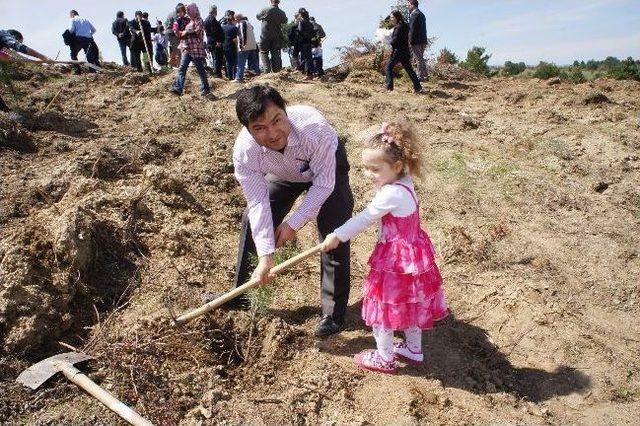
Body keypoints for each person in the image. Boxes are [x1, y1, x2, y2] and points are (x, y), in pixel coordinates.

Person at [321, 121, 448, 374]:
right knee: (410, 304)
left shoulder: (390, 194)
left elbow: (365, 217)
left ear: (397, 166)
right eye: (366, 168)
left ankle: (385, 358)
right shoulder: (405, 182)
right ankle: (413, 349)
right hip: (413, 257)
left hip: (395, 262)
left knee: (383, 307)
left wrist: (337, 235)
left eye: (375, 169)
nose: (369, 174)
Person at [232, 85, 354, 337]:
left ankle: (333, 314)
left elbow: (323, 185)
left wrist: (292, 225)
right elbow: (258, 202)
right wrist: (266, 254)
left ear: (285, 110)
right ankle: (242, 297)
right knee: (250, 219)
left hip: (325, 169)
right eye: (260, 128)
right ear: (247, 129)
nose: (273, 133)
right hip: (285, 173)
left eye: (277, 120)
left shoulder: (314, 129)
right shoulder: (245, 152)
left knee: (334, 232)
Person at [0, 29, 51, 112]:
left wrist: (32, 62)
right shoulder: (4, 34)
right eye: (18, 41)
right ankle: (7, 113)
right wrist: (43, 57)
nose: (10, 48)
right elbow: (19, 47)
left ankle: (6, 113)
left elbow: (3, 56)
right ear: (13, 37)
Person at [171, 3, 211, 96]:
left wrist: (185, 33)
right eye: (187, 10)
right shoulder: (189, 21)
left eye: (189, 10)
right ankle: (178, 88)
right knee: (182, 68)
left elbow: (197, 32)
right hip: (187, 48)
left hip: (196, 49)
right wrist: (181, 32)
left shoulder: (199, 20)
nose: (187, 12)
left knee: (200, 69)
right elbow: (180, 33)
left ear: (193, 10)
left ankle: (206, 88)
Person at [385, 11, 422, 93]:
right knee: (409, 70)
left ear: (396, 17)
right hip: (405, 52)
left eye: (391, 17)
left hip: (398, 52)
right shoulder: (405, 26)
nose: (391, 19)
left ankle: (389, 88)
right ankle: (418, 87)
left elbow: (396, 41)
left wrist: (387, 41)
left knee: (388, 67)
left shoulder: (398, 27)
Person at [256, 0, 287, 73]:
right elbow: (285, 21)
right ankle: (276, 71)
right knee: (275, 53)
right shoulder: (281, 12)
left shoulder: (265, 9)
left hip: (265, 35)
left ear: (271, 1)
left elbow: (257, 16)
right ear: (278, 2)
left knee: (263, 52)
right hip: (276, 35)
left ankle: (267, 70)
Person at [68, 10, 100, 74]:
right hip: (87, 39)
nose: (70, 17)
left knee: (73, 54)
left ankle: (77, 71)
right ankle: (92, 71)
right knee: (89, 55)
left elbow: (71, 30)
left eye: (70, 15)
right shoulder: (86, 20)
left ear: (72, 14)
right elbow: (94, 30)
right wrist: (88, 35)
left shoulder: (73, 19)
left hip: (78, 39)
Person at [234, 14, 260, 83]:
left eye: (235, 18)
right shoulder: (248, 23)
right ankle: (258, 74)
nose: (235, 20)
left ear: (238, 18)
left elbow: (242, 34)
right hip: (252, 45)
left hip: (245, 46)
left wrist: (242, 45)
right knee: (254, 61)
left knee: (241, 62)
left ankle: (239, 78)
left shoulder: (242, 23)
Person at [408, 0, 429, 81]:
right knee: (420, 58)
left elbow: (412, 29)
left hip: (415, 40)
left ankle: (420, 77)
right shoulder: (422, 14)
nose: (408, 6)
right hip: (423, 40)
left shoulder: (414, 14)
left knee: (418, 59)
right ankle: (426, 76)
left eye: (409, 4)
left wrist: (410, 41)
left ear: (412, 5)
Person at [204, 5, 225, 78]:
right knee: (217, 58)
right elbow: (214, 31)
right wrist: (218, 41)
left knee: (215, 58)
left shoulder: (206, 19)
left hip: (210, 41)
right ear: (215, 11)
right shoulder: (212, 19)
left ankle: (216, 72)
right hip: (215, 42)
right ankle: (217, 74)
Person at [297, 9, 315, 78]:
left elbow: (300, 30)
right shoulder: (310, 23)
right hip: (309, 41)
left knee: (305, 57)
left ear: (301, 14)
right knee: (309, 57)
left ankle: (307, 73)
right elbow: (313, 32)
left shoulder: (301, 22)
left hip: (303, 41)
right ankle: (310, 73)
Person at [165, 3, 185, 67]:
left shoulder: (171, 13)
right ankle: (178, 66)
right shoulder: (176, 14)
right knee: (178, 49)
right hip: (172, 33)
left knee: (175, 49)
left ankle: (170, 62)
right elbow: (177, 26)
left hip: (169, 33)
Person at [221, 10, 238, 80]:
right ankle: (235, 77)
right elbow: (235, 39)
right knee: (234, 62)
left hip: (225, 46)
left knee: (228, 62)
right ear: (232, 20)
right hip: (232, 46)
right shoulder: (234, 28)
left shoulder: (222, 27)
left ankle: (229, 77)